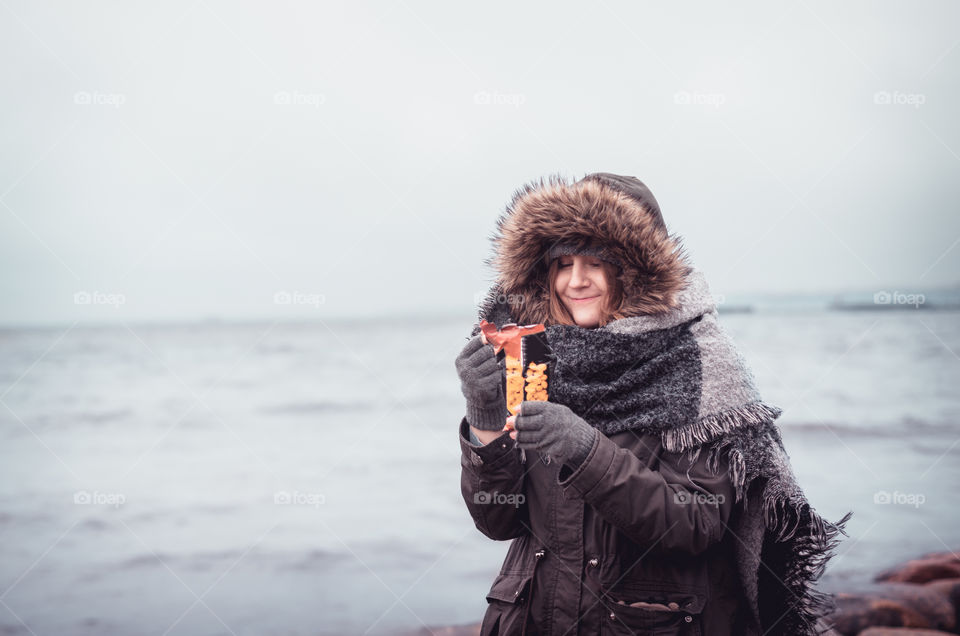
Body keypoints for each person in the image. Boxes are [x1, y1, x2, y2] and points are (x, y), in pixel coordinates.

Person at [454, 172, 852, 636]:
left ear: (637, 270)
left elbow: (695, 524)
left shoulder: (698, 364)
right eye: (562, 263)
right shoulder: (527, 357)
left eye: (596, 263)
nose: (576, 281)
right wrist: (484, 421)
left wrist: (585, 449)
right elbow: (498, 520)